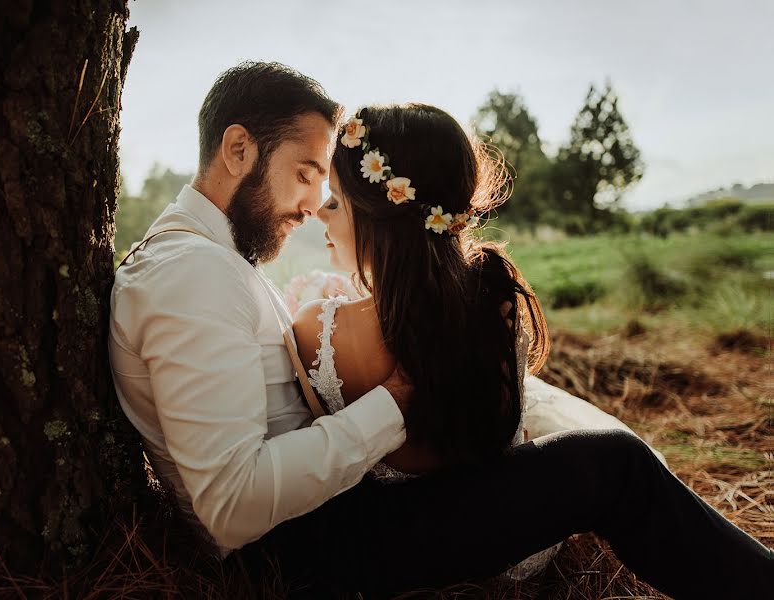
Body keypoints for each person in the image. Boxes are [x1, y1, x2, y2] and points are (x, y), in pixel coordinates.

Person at [108, 61, 774, 598]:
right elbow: (231, 507)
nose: (314, 203)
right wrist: (390, 409)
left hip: (331, 519)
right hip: (316, 548)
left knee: (588, 455)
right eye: (306, 173)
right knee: (613, 468)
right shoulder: (192, 274)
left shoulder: (207, 259)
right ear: (236, 149)